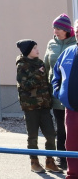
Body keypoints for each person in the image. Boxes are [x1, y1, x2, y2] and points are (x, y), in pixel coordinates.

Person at [16, 39, 61, 173]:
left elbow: (46, 82)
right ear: (27, 51)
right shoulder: (22, 65)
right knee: (33, 136)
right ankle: (34, 162)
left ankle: (50, 161)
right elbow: (25, 85)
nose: (37, 50)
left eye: (37, 47)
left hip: (44, 105)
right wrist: (38, 73)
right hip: (31, 107)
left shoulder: (40, 63)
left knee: (51, 135)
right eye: (34, 48)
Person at [45, 13, 76, 170]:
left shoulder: (74, 43)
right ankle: (62, 158)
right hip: (57, 94)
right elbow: (47, 67)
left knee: (73, 129)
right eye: (54, 28)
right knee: (61, 128)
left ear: (66, 29)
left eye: (58, 28)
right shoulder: (51, 44)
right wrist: (53, 90)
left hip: (72, 94)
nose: (55, 31)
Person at [51, 34, 78, 179]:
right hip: (71, 109)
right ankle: (73, 174)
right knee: (72, 144)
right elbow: (56, 75)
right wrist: (59, 92)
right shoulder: (68, 52)